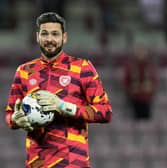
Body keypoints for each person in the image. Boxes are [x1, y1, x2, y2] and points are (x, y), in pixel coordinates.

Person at [5, 12, 112, 168]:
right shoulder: (24, 71)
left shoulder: (82, 67)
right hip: (36, 163)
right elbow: (9, 114)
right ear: (37, 37)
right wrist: (15, 120)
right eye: (45, 34)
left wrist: (63, 107)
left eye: (55, 34)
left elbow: (106, 112)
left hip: (73, 163)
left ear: (64, 37)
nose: (49, 39)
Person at [123, 46, 157, 120]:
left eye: (143, 53)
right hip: (134, 98)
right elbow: (126, 81)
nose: (141, 55)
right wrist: (129, 90)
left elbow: (154, 81)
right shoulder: (131, 66)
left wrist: (151, 90)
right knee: (135, 120)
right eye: (139, 53)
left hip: (147, 98)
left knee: (146, 120)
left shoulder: (150, 67)